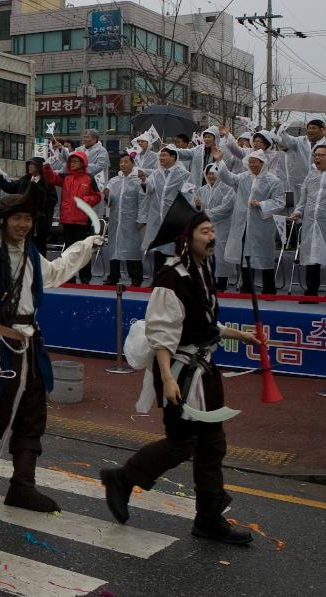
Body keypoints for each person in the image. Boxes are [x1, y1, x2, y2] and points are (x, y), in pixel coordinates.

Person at [100, 196, 262, 545]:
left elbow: (205, 325)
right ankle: (123, 478)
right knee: (183, 443)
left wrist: (242, 336)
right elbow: (162, 334)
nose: (213, 236)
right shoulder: (171, 277)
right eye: (206, 231)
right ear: (187, 239)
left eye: (213, 229)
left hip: (203, 370)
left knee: (212, 445)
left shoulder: (202, 270)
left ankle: (208, 519)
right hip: (181, 372)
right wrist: (168, 377)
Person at [0, 187, 103, 512]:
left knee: (32, 416)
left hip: (30, 346)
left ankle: (22, 486)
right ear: (3, 221)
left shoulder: (29, 253)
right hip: (2, 345)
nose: (23, 224)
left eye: (28, 218)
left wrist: (85, 246)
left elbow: (54, 272)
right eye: (17, 217)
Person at [209, 148, 286, 294]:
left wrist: (262, 204)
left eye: (255, 162)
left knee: (265, 256)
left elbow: (280, 202)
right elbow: (227, 177)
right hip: (243, 223)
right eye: (250, 162)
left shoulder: (273, 181)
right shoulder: (243, 177)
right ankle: (246, 288)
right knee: (245, 255)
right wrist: (219, 161)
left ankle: (269, 289)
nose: (252, 165)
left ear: (263, 163)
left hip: (262, 224)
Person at [290, 145, 326, 300]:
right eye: (315, 155)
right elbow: (303, 198)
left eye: (321, 155)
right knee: (312, 257)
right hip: (311, 223)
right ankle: (311, 293)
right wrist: (298, 211)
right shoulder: (311, 176)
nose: (317, 158)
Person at [41, 149, 101, 283]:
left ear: (83, 162)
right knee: (69, 251)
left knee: (84, 251)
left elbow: (97, 196)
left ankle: (85, 279)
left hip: (83, 221)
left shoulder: (89, 178)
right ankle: (69, 278)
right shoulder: (65, 177)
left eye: (75, 161)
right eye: (71, 161)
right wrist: (46, 166)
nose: (72, 163)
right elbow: (51, 178)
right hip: (67, 220)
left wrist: (86, 200)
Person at [140, 146, 193, 279]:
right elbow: (150, 189)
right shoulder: (156, 173)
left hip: (174, 218)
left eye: (164, 155)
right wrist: (144, 181)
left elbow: (188, 195)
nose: (161, 158)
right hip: (157, 217)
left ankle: (174, 280)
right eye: (160, 156)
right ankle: (158, 278)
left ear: (173, 157)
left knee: (173, 249)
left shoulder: (183, 174)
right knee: (159, 248)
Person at [0, 157, 56, 257]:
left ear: (39, 167)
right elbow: (10, 187)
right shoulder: (24, 180)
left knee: (39, 248)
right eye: (28, 164)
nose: (29, 166)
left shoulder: (47, 182)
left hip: (39, 223)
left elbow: (52, 200)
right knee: (23, 246)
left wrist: (38, 201)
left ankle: (39, 269)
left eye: (32, 164)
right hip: (23, 221)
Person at [103, 152, 145, 286]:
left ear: (133, 163)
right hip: (116, 220)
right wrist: (107, 195)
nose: (123, 164)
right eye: (121, 162)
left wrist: (141, 219)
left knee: (132, 248)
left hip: (131, 221)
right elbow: (110, 201)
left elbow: (142, 201)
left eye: (126, 162)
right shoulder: (114, 181)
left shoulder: (138, 181)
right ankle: (113, 276)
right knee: (114, 248)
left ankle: (136, 278)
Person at [195, 165, 236, 290]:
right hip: (205, 228)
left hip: (222, 226)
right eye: (209, 173)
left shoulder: (228, 189)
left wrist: (205, 212)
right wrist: (198, 206)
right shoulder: (202, 189)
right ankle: (208, 280)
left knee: (220, 254)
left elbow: (225, 208)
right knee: (206, 253)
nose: (211, 176)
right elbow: (197, 208)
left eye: (214, 173)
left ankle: (222, 282)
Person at [276, 118, 326, 198]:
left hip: (322, 182)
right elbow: (286, 141)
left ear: (322, 130)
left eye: (313, 128)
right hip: (300, 183)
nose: (310, 131)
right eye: (309, 128)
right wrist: (280, 130)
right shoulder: (300, 141)